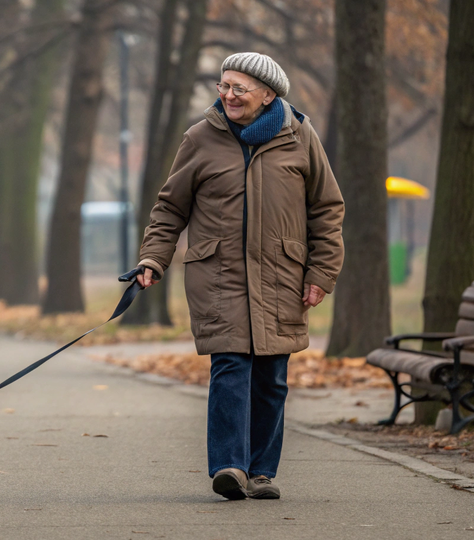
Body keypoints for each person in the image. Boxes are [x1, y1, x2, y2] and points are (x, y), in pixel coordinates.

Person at [133, 52, 344, 501]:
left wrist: (322, 271)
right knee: (231, 367)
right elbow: (171, 207)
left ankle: (261, 471)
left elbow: (326, 209)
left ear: (268, 95)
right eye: (223, 86)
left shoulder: (300, 137)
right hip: (219, 275)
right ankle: (229, 466)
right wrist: (154, 259)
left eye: (238, 88)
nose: (228, 95)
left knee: (271, 376)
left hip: (281, 277)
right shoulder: (200, 138)